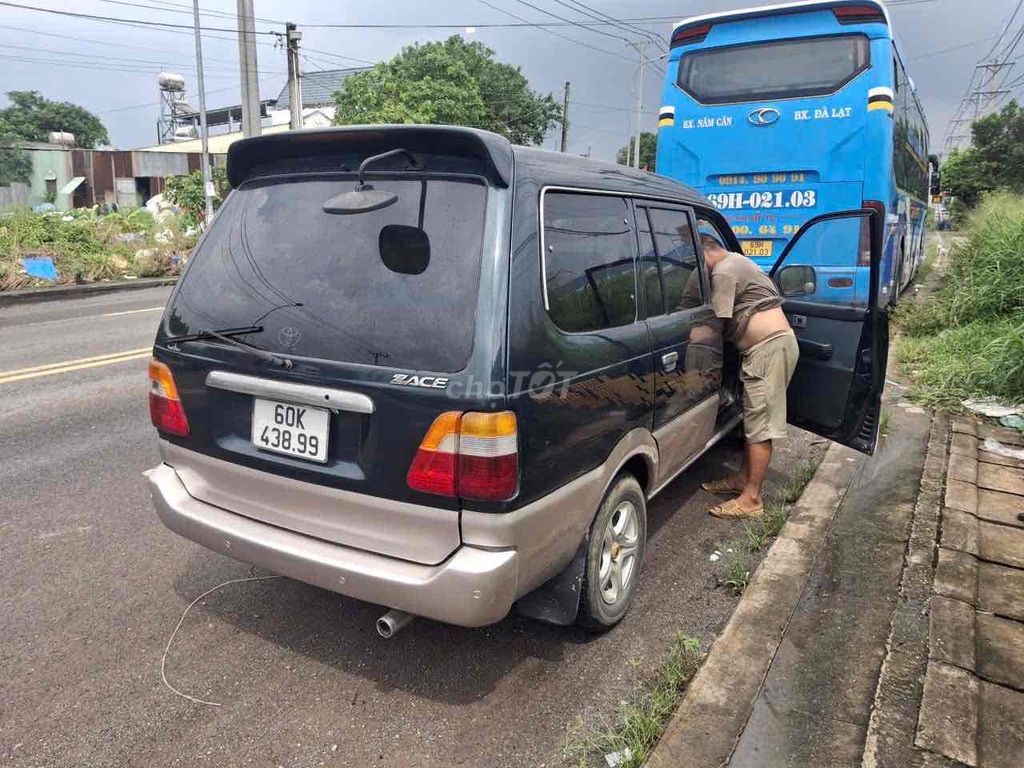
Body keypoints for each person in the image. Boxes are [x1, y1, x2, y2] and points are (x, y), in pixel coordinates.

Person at [699, 233, 799, 519]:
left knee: (760, 426)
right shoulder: (737, 261)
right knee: (753, 420)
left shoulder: (724, 271)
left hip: (767, 352)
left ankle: (752, 500)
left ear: (706, 252)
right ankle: (743, 480)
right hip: (766, 351)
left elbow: (715, 325)